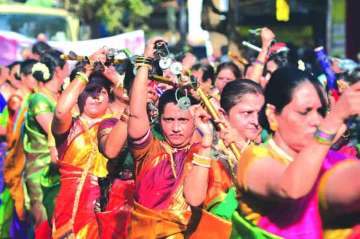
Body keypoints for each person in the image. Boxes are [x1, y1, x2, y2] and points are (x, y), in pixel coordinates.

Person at [231, 67, 360, 238]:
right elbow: (290, 187)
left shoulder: (327, 159)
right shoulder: (255, 159)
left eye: (321, 112)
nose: (316, 121)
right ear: (272, 115)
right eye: (304, 112)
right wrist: (334, 119)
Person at [127, 37, 211, 238]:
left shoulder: (204, 153)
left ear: (195, 120)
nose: (175, 127)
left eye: (182, 120)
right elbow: (137, 112)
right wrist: (146, 61)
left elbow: (196, 199)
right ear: (159, 119)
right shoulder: (148, 151)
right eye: (169, 119)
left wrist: (207, 141)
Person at [184, 79, 273, 238]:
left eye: (259, 114)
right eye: (247, 113)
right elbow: (194, 198)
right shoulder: (206, 151)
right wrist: (206, 143)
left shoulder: (267, 151)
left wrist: (242, 149)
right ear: (223, 115)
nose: (255, 121)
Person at [51, 57, 121, 238]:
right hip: (70, 211)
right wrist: (88, 69)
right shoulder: (70, 126)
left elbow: (137, 100)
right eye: (90, 90)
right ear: (79, 94)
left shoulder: (118, 124)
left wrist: (111, 75)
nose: (97, 96)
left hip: (108, 206)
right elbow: (60, 112)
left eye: (103, 91)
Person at [22, 50, 67, 236]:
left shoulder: (60, 96)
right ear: (58, 70)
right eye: (67, 66)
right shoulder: (38, 99)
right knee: (44, 225)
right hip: (41, 171)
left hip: (61, 170)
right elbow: (55, 129)